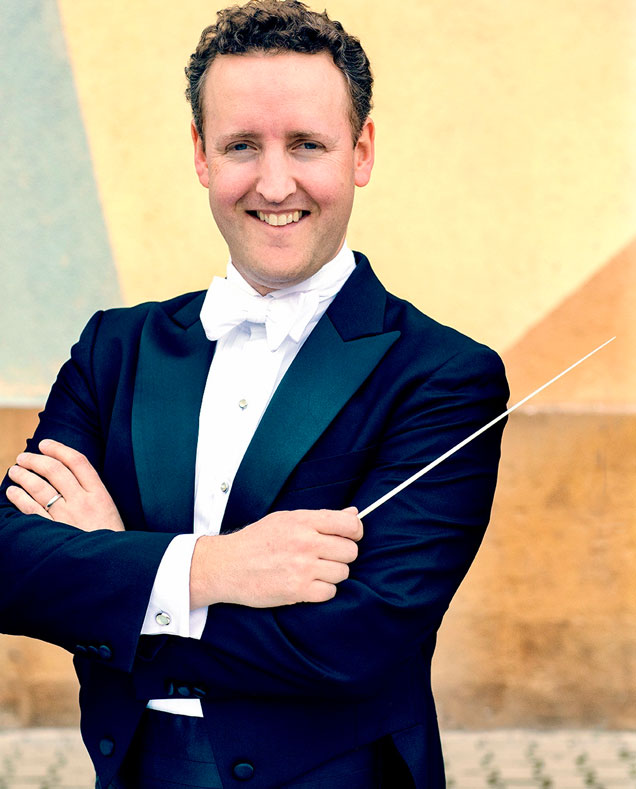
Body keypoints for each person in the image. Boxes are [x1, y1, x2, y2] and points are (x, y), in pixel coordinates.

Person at [0, 1, 509, 787]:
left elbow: (352, 641)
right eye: (243, 145)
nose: (275, 184)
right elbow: (10, 566)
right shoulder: (115, 348)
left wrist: (111, 570)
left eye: (307, 143)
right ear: (202, 154)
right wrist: (211, 568)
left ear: (361, 151)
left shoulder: (444, 376)